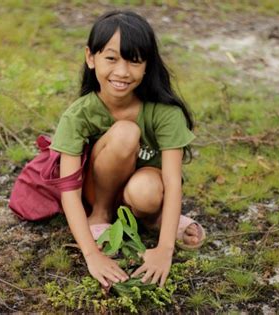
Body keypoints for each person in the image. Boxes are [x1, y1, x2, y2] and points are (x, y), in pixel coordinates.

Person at [50, 10, 205, 289]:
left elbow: (172, 182)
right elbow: (68, 190)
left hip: (143, 191)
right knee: (125, 132)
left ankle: (153, 219)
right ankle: (101, 216)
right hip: (97, 191)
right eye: (111, 58)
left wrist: (164, 250)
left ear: (147, 65)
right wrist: (92, 255)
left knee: (146, 190)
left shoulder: (165, 113)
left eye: (134, 61)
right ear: (90, 57)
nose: (122, 72)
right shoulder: (78, 115)